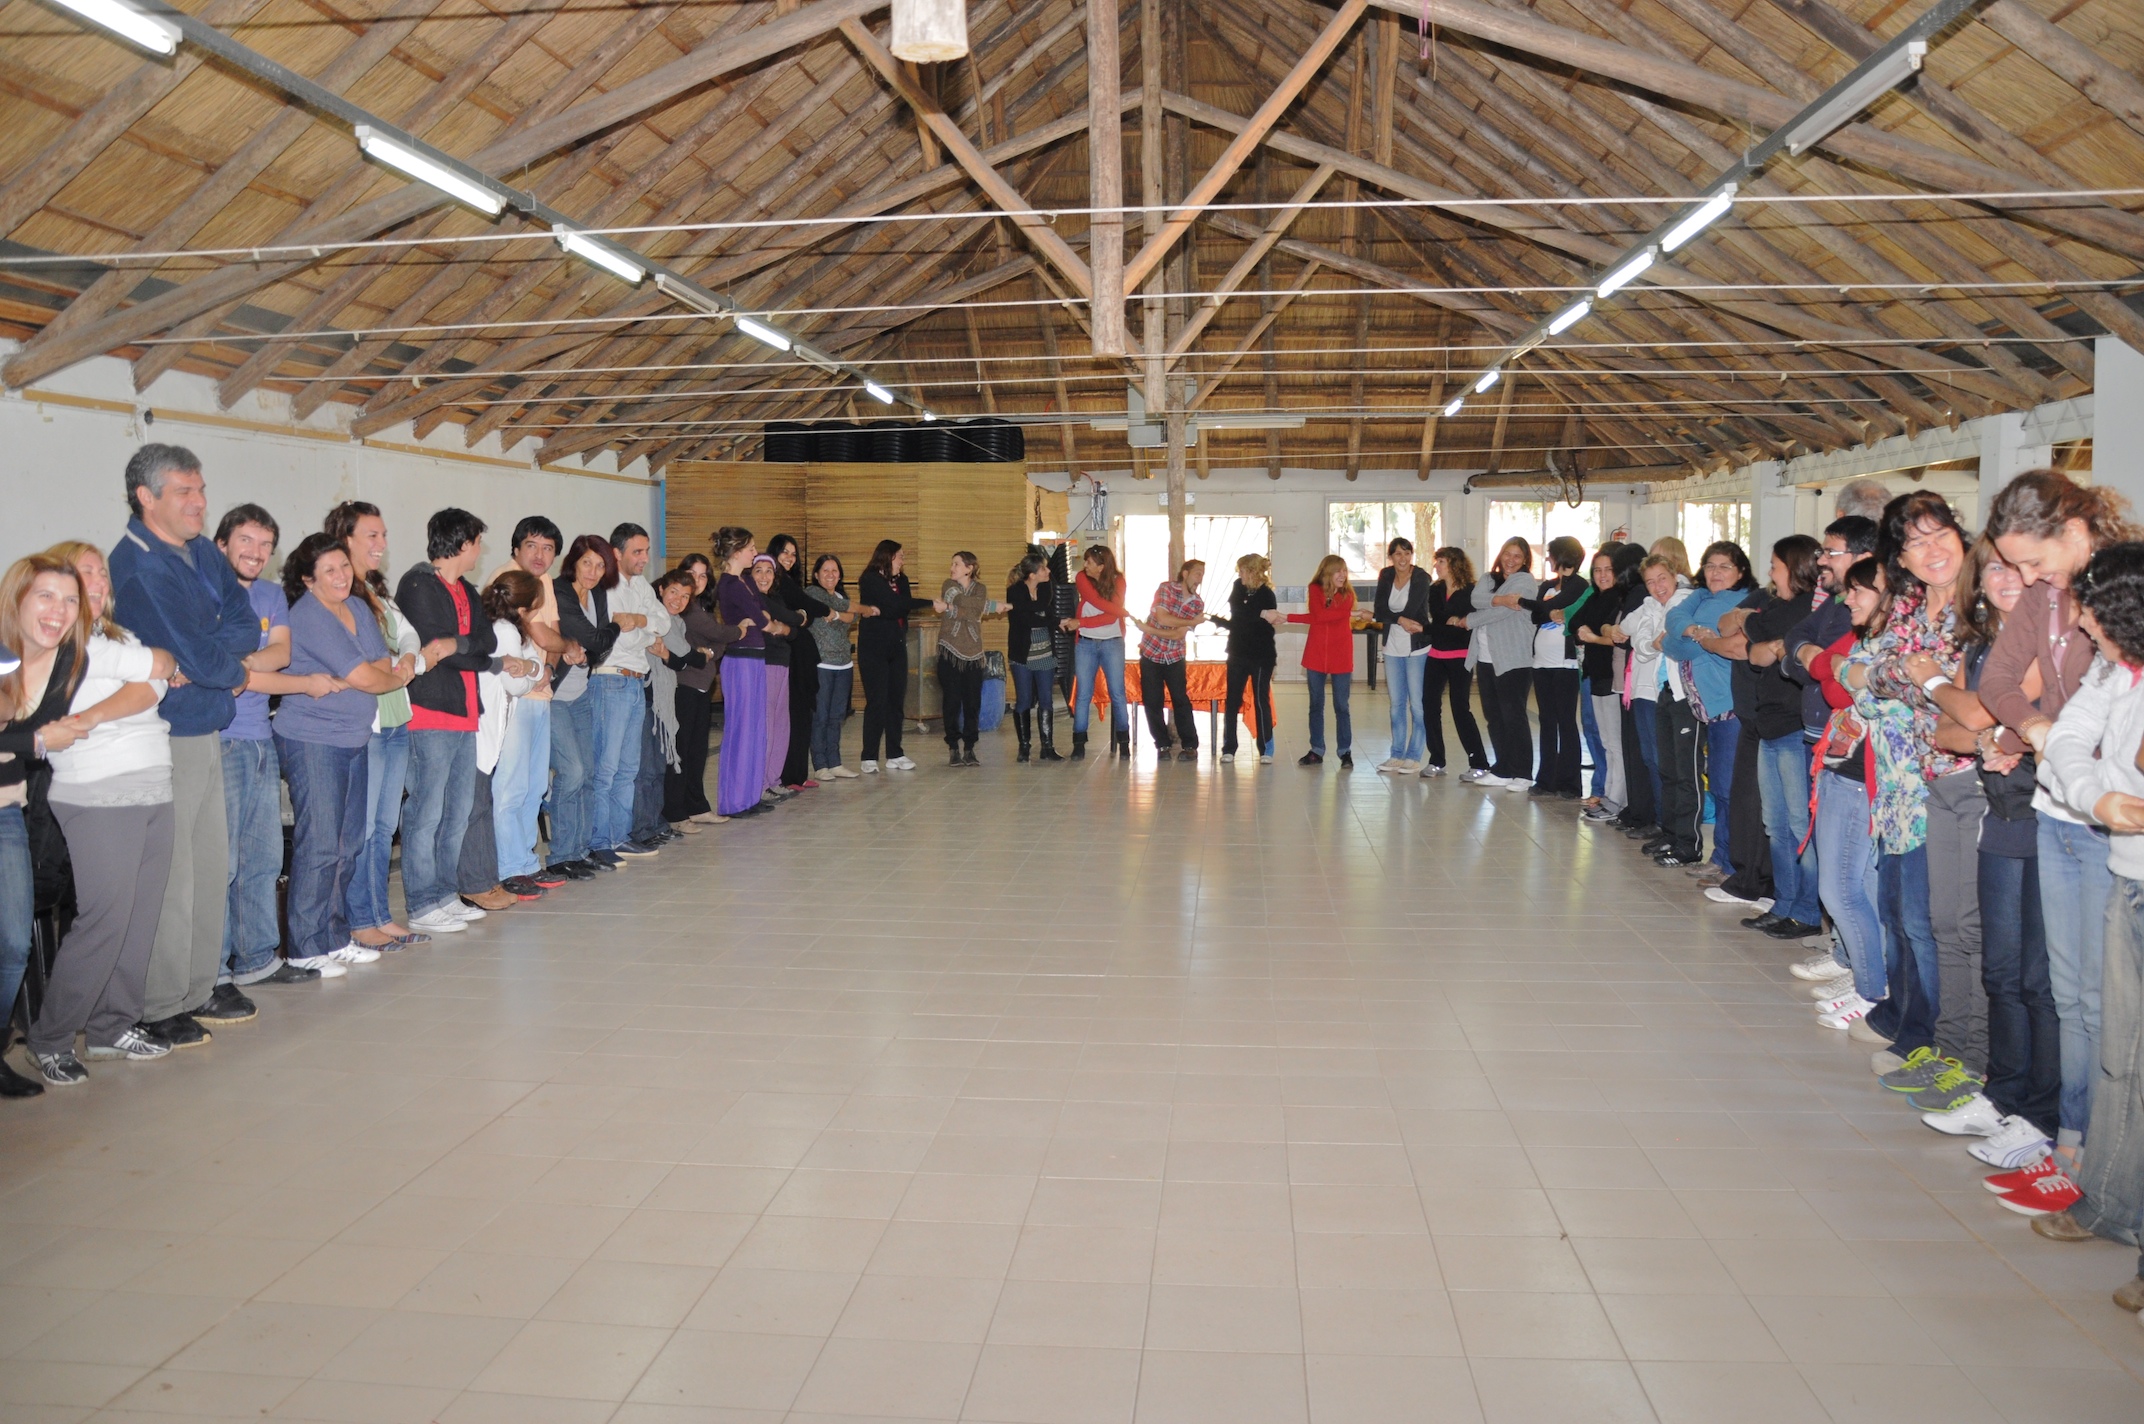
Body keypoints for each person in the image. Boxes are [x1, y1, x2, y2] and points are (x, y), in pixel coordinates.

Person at [1983, 469, 2137, 1173]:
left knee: (2106, 1003)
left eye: (2033, 562)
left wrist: (2043, 736)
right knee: (2069, 993)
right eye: (2013, 565)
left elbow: (2098, 709)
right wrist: (2037, 727)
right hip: (2058, 808)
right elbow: (2000, 682)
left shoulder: (2116, 595)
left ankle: (2101, 1157)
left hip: (2109, 820)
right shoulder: (2047, 595)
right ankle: (2071, 1141)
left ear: (2074, 532)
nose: (2024, 578)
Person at [107, 445, 264, 1049]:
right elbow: (195, 653)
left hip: (206, 722)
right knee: (173, 874)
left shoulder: (200, 550)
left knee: (210, 866)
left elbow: (245, 623)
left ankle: (198, 988)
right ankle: (159, 1000)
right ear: (146, 497)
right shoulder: (138, 565)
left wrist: (214, 656)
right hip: (166, 733)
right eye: (184, 492)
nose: (199, 502)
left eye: (200, 489)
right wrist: (229, 667)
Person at [2027, 542, 2144, 1250]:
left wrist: (2099, 784)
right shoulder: (2114, 670)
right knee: (2120, 1057)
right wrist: (2096, 794)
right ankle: (2109, 1203)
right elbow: (2067, 737)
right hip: (2127, 878)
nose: (2081, 623)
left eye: (2092, 610)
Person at [26, 545, 178, 1084]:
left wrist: (111, 702)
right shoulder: (62, 643)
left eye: (101, 572)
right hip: (96, 790)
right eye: (84, 571)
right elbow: (153, 672)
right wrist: (148, 675)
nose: (98, 580)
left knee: (139, 918)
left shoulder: (119, 637)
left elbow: (158, 675)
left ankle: (112, 1025)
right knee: (104, 920)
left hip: (153, 784)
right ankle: (49, 1038)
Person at [1865, 493, 1986, 1124]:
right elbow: (1878, 673)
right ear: (1902, 558)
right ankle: (1948, 1048)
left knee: (1963, 927)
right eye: (1915, 542)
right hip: (1919, 778)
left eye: (1941, 535)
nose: (1932, 550)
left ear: (1961, 538)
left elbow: (1974, 699)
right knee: (1937, 923)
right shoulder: (1909, 606)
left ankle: (1973, 1061)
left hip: (1974, 777)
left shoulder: (1984, 606)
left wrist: (1923, 676)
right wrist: (1926, 678)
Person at [274, 534, 412, 976]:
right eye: (329, 570)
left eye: (344, 567)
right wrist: (387, 678)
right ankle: (304, 947)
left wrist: (376, 675)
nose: (341, 576)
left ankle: (334, 938)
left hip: (354, 737)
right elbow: (370, 678)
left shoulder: (355, 606)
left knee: (347, 844)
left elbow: (379, 666)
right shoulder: (307, 615)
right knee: (320, 844)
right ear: (308, 579)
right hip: (313, 740)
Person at [210, 504, 319, 1007]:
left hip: (259, 737)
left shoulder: (271, 595)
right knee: (222, 861)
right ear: (221, 544)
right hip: (218, 740)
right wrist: (245, 671)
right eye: (246, 541)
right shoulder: (204, 592)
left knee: (262, 855)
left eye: (265, 545)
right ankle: (213, 972)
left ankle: (256, 959)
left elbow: (281, 653)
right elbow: (210, 667)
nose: (256, 553)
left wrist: (241, 666)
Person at [326, 501, 447, 947]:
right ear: (346, 539)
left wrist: (409, 657)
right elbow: (360, 656)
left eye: (384, 535)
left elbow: (408, 632)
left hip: (396, 719)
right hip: (369, 723)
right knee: (363, 830)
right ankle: (360, 921)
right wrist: (402, 661)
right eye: (372, 536)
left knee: (384, 828)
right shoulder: (341, 594)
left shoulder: (377, 590)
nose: (381, 544)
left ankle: (379, 914)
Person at [0, 553, 96, 1099]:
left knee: (14, 944)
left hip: (5, 809)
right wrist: (33, 742)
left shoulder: (68, 660)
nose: (58, 610)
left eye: (69, 600)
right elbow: (34, 741)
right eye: (46, 596)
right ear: (17, 598)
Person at [1781, 515, 1882, 982]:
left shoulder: (1885, 624)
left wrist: (1821, 663)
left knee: (1850, 880)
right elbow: (1806, 650)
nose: (1821, 559)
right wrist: (1820, 661)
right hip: (1834, 752)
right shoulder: (1844, 608)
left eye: (1830, 551)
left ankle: (1868, 981)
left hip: (1861, 765)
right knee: (1842, 876)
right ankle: (1851, 961)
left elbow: (1835, 683)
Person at [395, 508, 497, 935]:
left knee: (457, 812)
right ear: (462, 543)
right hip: (431, 711)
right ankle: (421, 902)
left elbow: (487, 640)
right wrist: (464, 650)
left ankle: (444, 893)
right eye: (477, 542)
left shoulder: (467, 589)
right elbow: (435, 648)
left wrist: (459, 645)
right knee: (427, 811)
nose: (479, 550)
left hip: (465, 711)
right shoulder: (418, 583)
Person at [1741, 535, 1825, 938]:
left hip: (1795, 728)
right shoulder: (1777, 607)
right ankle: (1784, 902)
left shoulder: (1810, 608)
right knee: (1775, 823)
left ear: (1795, 568)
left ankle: (1806, 912)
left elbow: (1760, 631)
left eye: (1775, 566)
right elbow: (1755, 652)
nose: (1771, 574)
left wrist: (1772, 642)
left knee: (1799, 824)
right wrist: (1771, 645)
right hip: (1769, 724)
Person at [487, 518, 570, 898]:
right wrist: (566, 647)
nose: (540, 555)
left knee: (535, 785)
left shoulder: (544, 581)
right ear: (516, 548)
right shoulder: (507, 579)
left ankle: (525, 863)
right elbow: (541, 635)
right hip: (513, 698)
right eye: (532, 546)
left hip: (540, 692)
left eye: (548, 548)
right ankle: (508, 868)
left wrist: (550, 667)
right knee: (511, 786)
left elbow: (552, 634)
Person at [1660, 541, 1754, 872]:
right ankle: (1722, 858)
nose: (1715, 572)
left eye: (1725, 566)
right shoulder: (1702, 596)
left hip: (1729, 707)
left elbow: (1682, 649)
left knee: (1727, 787)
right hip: (1710, 710)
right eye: (1710, 565)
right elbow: (1673, 618)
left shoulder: (1738, 602)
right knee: (1719, 782)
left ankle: (1731, 864)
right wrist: (1691, 630)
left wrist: (1681, 636)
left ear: (1741, 572)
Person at [459, 570, 544, 905]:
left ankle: (488, 877)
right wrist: (533, 673)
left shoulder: (499, 626)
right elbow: (516, 683)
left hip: (487, 722)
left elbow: (533, 664)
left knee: (484, 802)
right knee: (483, 803)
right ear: (523, 608)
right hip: (485, 725)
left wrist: (532, 668)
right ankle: (484, 879)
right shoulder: (506, 630)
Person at [553, 535, 624, 869]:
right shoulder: (560, 592)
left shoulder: (597, 594)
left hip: (580, 692)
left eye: (600, 565)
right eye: (587, 563)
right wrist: (616, 626)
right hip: (553, 695)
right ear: (573, 562)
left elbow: (599, 649)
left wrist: (589, 652)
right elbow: (598, 638)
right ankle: (561, 855)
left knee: (588, 773)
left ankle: (579, 851)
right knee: (572, 772)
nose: (593, 572)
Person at [601, 521, 670, 857]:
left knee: (629, 768)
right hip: (611, 677)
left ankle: (619, 836)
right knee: (608, 768)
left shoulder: (641, 584)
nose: (644, 558)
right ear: (617, 553)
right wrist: (645, 633)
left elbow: (663, 622)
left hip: (635, 679)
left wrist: (639, 621)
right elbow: (620, 637)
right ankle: (601, 841)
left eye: (646, 551)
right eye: (637, 552)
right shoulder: (606, 585)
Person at [1626, 555, 1697, 861]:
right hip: (1663, 693)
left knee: (1684, 772)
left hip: (1684, 695)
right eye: (1650, 582)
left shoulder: (1686, 601)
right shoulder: (1651, 605)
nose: (1657, 587)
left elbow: (1670, 641)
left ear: (1675, 576)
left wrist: (1656, 640)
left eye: (1662, 579)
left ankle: (1687, 841)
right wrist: (1654, 640)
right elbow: (1642, 647)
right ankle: (1669, 832)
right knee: (1665, 768)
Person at [1514, 536, 1589, 798]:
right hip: (1541, 661)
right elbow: (1538, 615)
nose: (1548, 559)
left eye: (1551, 554)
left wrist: (1525, 602)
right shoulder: (1547, 585)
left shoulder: (1579, 585)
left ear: (1562, 556)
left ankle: (1570, 783)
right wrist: (1545, 610)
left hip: (1565, 662)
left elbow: (1548, 606)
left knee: (1566, 721)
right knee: (1547, 721)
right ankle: (1546, 780)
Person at [1462, 537, 1538, 788]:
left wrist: (1469, 621)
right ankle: (1503, 768)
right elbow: (1476, 599)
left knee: (1513, 716)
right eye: (1507, 553)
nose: (1511, 560)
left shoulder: (1525, 582)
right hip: (1486, 659)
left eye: (1517, 556)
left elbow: (1502, 613)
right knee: (1494, 716)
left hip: (1513, 659)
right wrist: (1502, 599)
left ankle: (1523, 773)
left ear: (1525, 560)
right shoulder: (1488, 578)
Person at [668, 555, 741, 812]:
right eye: (692, 574)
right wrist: (739, 629)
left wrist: (708, 651)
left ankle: (696, 807)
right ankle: (677, 811)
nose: (698, 580)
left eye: (703, 575)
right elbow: (720, 634)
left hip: (701, 685)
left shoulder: (702, 608)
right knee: (682, 750)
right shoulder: (685, 609)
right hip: (683, 685)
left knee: (697, 750)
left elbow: (718, 644)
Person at [856, 539, 932, 772]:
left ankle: (895, 753)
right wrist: (929, 603)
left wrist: (896, 608)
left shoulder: (902, 580)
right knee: (877, 701)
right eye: (900, 556)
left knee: (896, 701)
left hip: (897, 645)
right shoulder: (870, 579)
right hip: (873, 648)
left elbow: (902, 607)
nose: (902, 561)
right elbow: (894, 605)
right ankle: (869, 756)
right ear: (888, 557)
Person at [713, 527, 773, 814]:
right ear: (736, 552)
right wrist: (765, 620)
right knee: (742, 730)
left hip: (755, 657)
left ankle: (750, 797)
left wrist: (763, 618)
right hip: (740, 661)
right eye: (751, 548)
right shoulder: (729, 584)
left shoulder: (745, 580)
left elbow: (761, 614)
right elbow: (763, 621)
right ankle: (733, 802)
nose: (755, 552)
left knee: (756, 729)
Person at [1571, 546, 1634, 820]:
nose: (1602, 575)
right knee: (1606, 741)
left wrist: (1592, 634)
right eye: (1597, 570)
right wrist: (1585, 631)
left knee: (1615, 743)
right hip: (1595, 674)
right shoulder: (1595, 597)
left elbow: (1614, 636)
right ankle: (1609, 795)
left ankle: (1616, 799)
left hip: (1612, 677)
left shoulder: (1621, 598)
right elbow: (1575, 623)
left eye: (1608, 569)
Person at [1065, 544, 1137, 761]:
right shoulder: (1081, 578)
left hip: (1112, 643)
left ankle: (1123, 742)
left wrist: (1081, 622)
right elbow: (1100, 603)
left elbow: (1111, 616)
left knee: (1117, 693)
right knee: (1083, 694)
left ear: (1102, 566)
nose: (1085, 565)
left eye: (1089, 562)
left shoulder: (1119, 580)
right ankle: (1079, 743)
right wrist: (1121, 611)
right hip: (1085, 643)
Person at [1421, 548, 1486, 779]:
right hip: (1436, 655)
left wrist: (1452, 623)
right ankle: (1436, 760)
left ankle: (1479, 763)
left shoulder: (1471, 591)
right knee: (1429, 706)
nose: (1436, 566)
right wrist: (1452, 622)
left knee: (1460, 708)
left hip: (1460, 656)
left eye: (1441, 561)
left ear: (1455, 564)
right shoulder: (1435, 589)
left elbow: (1466, 626)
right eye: (1436, 561)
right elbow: (1440, 619)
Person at [1290, 554, 1358, 768]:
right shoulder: (1314, 589)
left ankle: (1345, 751)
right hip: (1316, 655)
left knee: (1341, 705)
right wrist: (1346, 613)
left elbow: (1321, 616)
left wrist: (1343, 612)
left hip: (1341, 655)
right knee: (1316, 704)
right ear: (1327, 572)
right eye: (1338, 570)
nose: (1343, 575)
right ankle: (1317, 750)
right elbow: (1318, 616)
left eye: (1345, 570)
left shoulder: (1348, 594)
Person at [1213, 553, 1279, 765]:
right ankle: (1229, 748)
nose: (1239, 574)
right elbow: (1238, 613)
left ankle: (1266, 748)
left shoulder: (1267, 593)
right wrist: (1259, 613)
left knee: (1260, 700)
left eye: (1242, 570)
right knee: (1232, 700)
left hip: (1261, 655)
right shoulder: (1238, 587)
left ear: (1252, 571)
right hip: (1237, 652)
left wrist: (1255, 615)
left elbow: (1252, 619)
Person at [766, 534, 821, 791]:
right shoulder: (776, 585)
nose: (789, 557)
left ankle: (798, 774)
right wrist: (825, 612)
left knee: (802, 714)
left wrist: (801, 615)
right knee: (791, 714)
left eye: (793, 553)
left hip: (801, 653)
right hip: (788, 654)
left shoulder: (789, 582)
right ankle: (787, 776)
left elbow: (804, 614)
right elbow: (803, 610)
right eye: (784, 552)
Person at [937, 551, 1001, 767]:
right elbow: (971, 608)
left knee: (972, 703)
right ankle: (953, 748)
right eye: (952, 564)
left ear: (969, 568)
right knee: (951, 702)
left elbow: (973, 610)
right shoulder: (948, 585)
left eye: (956, 564)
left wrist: (949, 608)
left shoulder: (980, 589)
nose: (952, 568)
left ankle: (969, 748)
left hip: (974, 654)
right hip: (949, 651)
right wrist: (973, 607)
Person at [1375, 539, 1433, 774]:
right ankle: (1396, 754)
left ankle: (1414, 756)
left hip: (1416, 647)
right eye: (1398, 554)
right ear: (1391, 557)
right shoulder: (1386, 575)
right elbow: (1380, 609)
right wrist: (1398, 619)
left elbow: (1412, 610)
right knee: (1396, 705)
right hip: (1392, 647)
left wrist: (1394, 616)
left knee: (1417, 705)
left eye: (1407, 553)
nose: (1403, 558)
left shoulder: (1421, 577)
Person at [1140, 558, 1205, 762]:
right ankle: (1162, 745)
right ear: (1185, 573)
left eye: (1202, 574)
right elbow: (1162, 617)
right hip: (1151, 653)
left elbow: (1178, 634)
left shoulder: (1197, 603)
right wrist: (1191, 621)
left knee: (1180, 700)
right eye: (1197, 573)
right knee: (1152, 701)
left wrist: (1149, 629)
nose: (1200, 578)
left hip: (1175, 656)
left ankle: (1190, 746)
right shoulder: (1166, 588)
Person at [1004, 550, 1063, 764]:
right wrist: (1052, 620)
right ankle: (1024, 747)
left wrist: (1025, 609)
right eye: (1043, 569)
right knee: (1024, 699)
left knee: (1046, 699)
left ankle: (1047, 747)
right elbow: (1027, 621)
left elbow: (1041, 609)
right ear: (1032, 575)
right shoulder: (1014, 590)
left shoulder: (1047, 587)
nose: (1048, 571)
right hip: (1022, 654)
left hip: (1045, 652)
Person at [748, 555, 798, 796]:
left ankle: (773, 779)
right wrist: (785, 624)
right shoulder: (751, 600)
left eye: (769, 571)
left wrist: (782, 627)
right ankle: (759, 784)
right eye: (758, 570)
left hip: (782, 662)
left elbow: (794, 631)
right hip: (763, 663)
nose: (764, 576)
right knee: (765, 726)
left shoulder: (776, 599)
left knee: (780, 725)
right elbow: (794, 620)